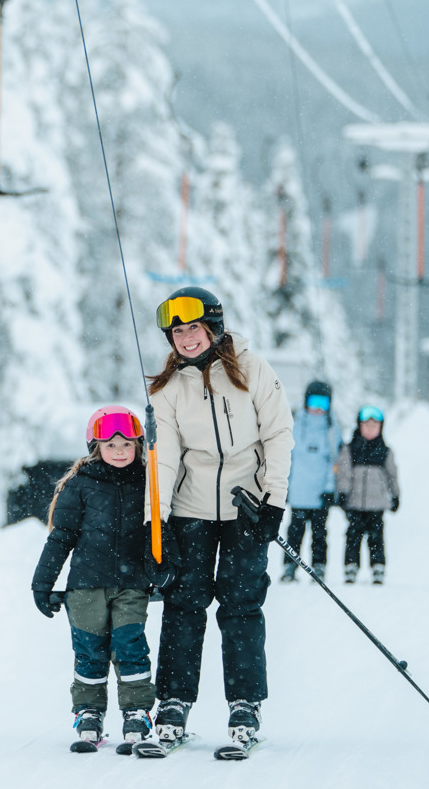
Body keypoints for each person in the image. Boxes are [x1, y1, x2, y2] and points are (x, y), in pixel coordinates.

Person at [145, 287, 294, 749]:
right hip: (190, 510)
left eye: (193, 328)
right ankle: (172, 702)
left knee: (241, 605)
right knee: (184, 605)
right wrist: (158, 521)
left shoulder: (252, 370)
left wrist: (274, 502)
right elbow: (164, 457)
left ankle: (244, 705)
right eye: (177, 332)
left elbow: (279, 434)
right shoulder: (167, 390)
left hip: (246, 508)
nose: (186, 339)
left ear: (213, 326)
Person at [30, 406, 159, 748]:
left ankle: (137, 712)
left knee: (130, 646)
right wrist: (42, 583)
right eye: (111, 444)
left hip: (132, 584)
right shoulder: (80, 484)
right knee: (90, 651)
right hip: (86, 586)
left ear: (139, 446)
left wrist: (162, 569)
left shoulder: (149, 482)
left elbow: (158, 531)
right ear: (95, 447)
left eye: (127, 445)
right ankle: (88, 712)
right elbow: (61, 537)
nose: (120, 451)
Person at [281, 380, 340, 583]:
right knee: (295, 532)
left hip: (319, 492)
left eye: (322, 404)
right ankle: (290, 567)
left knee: (319, 533)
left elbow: (335, 462)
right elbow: (287, 456)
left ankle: (319, 567)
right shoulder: (295, 423)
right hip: (299, 490)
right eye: (313, 402)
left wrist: (330, 489)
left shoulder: (332, 429)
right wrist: (284, 485)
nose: (317, 408)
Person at [335, 405, 400, 585]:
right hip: (355, 503)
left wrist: (395, 495)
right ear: (359, 426)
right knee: (352, 536)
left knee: (376, 537)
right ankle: (351, 566)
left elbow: (392, 476)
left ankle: (378, 567)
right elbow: (344, 473)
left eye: (375, 426)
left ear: (381, 428)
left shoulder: (384, 451)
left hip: (377, 504)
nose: (370, 430)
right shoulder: (351, 449)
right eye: (366, 425)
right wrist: (342, 493)